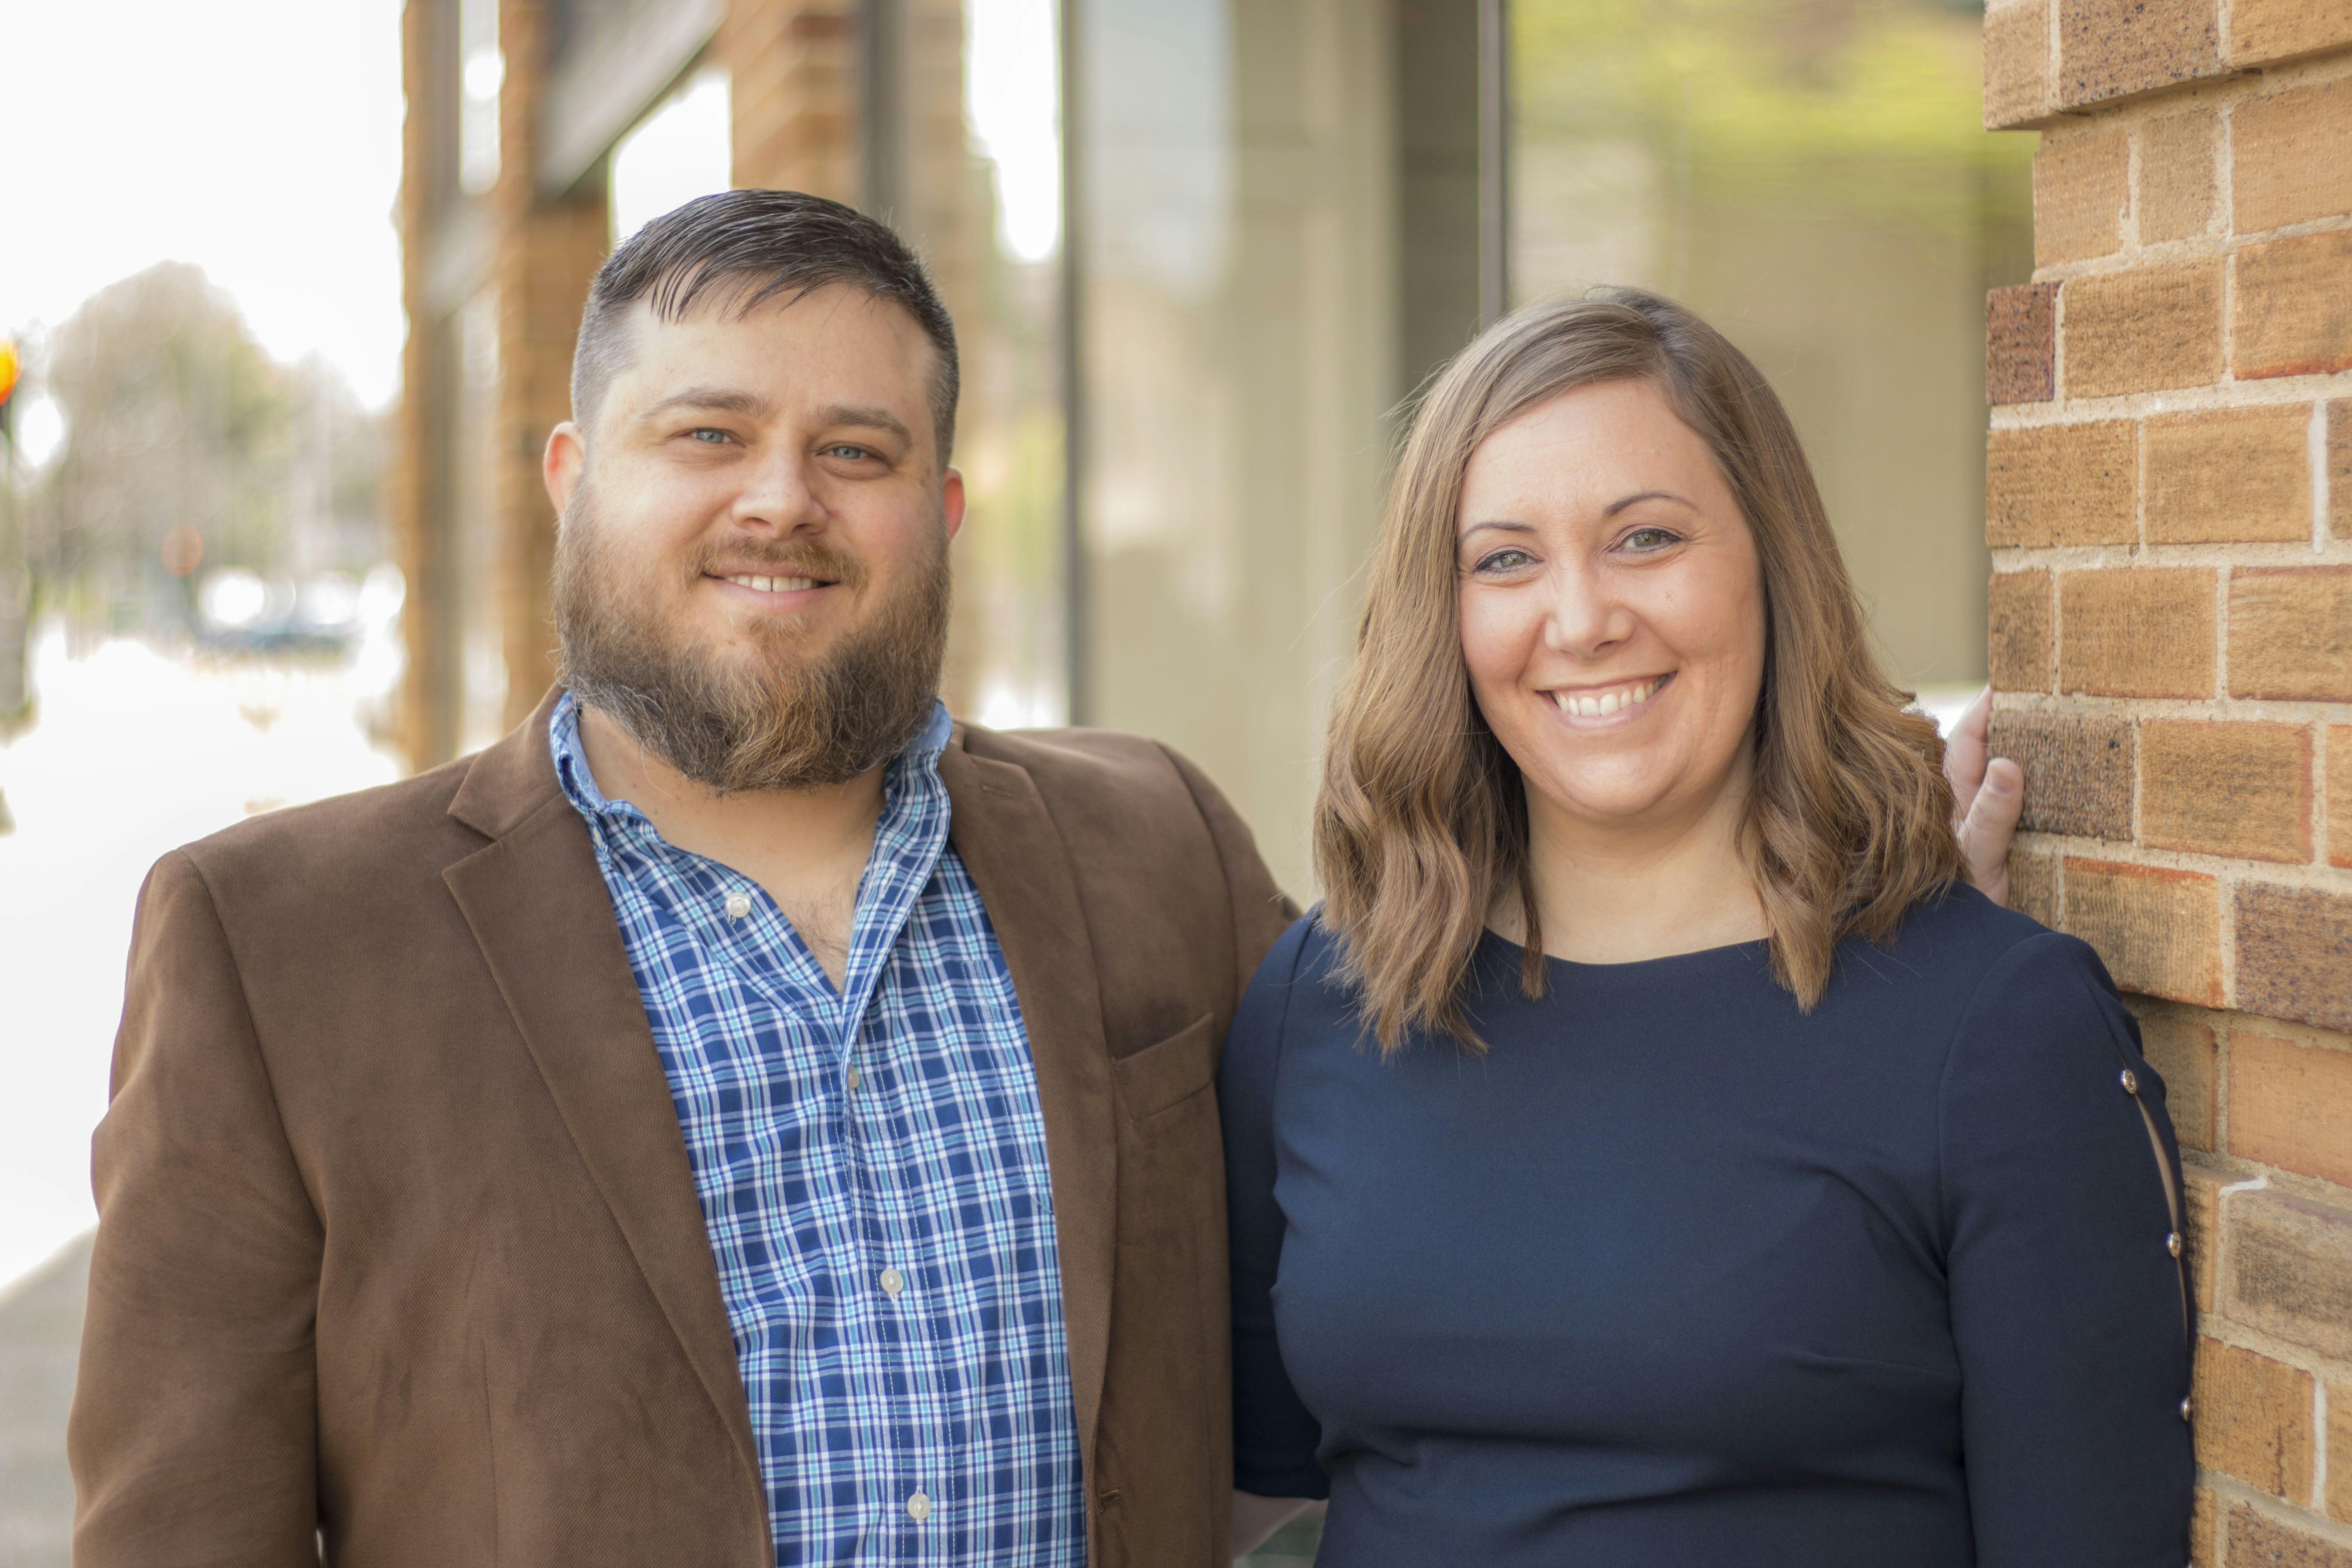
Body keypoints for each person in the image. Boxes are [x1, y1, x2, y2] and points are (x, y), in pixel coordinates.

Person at [69, 193, 2022, 1567]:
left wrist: (1838, 903)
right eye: (708, 434)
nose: (781, 499)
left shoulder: (1147, 846)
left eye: (855, 449)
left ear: (939, 510)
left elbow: (1490, 1104)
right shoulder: (284, 948)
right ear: (577, 477)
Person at [1221, 290, 2190, 1566]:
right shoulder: (1326, 997)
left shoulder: (1999, 1028)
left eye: (1647, 539)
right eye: (1505, 559)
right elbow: (1254, 1486)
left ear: (1772, 564)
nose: (1581, 620)